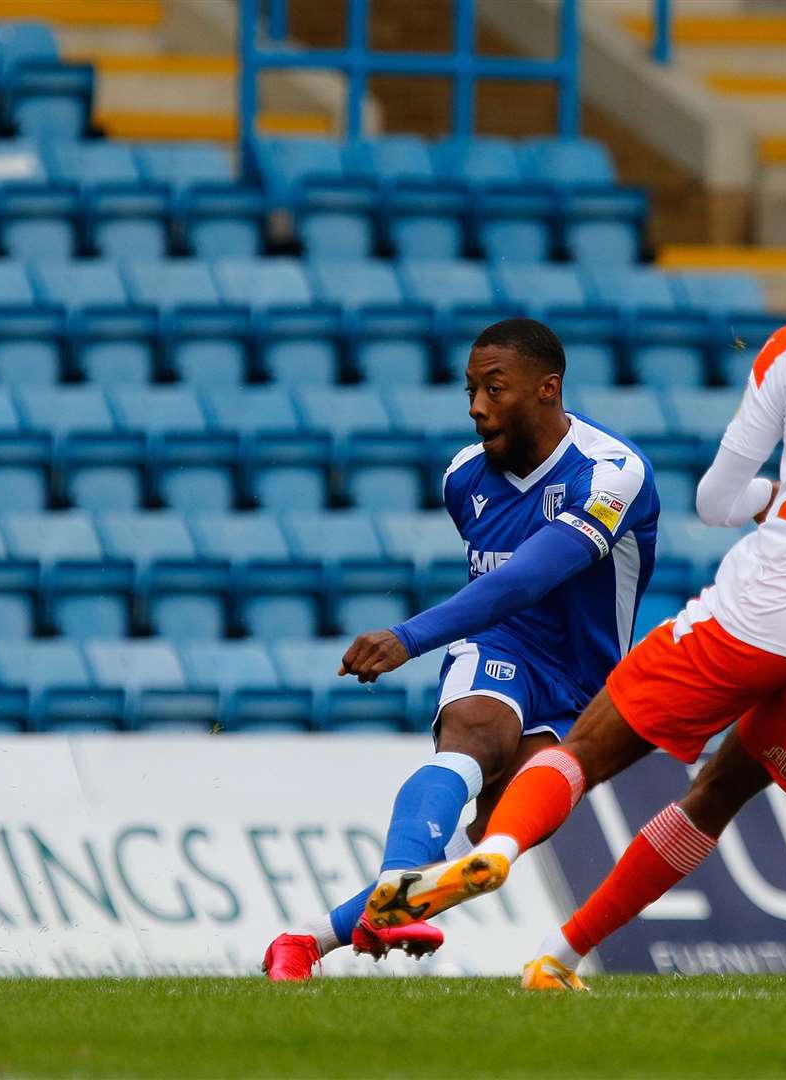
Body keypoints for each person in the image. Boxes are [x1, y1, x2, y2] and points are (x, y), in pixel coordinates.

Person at [363, 170, 786, 991]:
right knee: (716, 797)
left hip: (757, 611)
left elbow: (717, 500)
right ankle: (563, 957)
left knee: (584, 751)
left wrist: (773, 500)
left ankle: (497, 849)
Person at [262, 317, 661, 980]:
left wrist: (407, 637)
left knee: (486, 841)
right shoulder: (464, 479)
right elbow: (505, 600)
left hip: (585, 684)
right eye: (470, 390)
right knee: (474, 735)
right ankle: (396, 887)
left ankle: (304, 940)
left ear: (546, 389)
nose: (476, 408)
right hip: (501, 644)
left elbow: (528, 576)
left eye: (494, 390)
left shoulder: (612, 473)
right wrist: (428, 640)